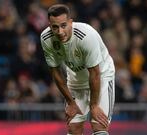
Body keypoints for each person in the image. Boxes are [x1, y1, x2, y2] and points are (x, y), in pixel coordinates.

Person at [40, 4, 115, 135]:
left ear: (70, 22)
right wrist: (70, 102)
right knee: (73, 129)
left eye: (63, 25)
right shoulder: (46, 38)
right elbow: (56, 73)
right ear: (50, 25)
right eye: (55, 27)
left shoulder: (86, 36)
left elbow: (95, 73)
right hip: (76, 81)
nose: (60, 32)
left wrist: (94, 106)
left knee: (99, 127)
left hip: (101, 77)